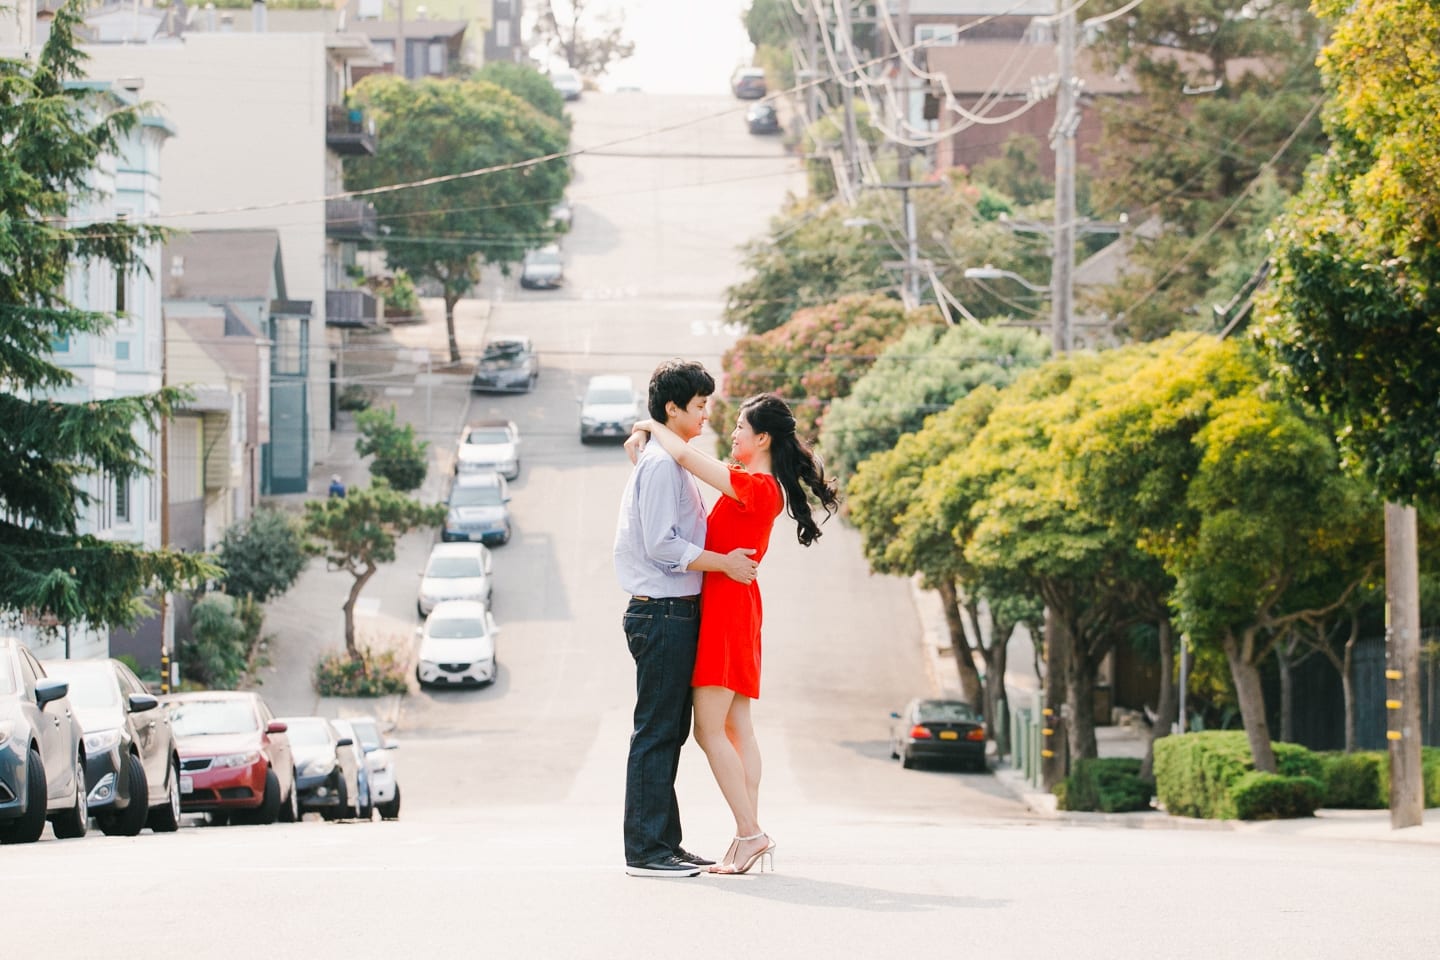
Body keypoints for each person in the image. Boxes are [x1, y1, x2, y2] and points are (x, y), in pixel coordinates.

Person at [628, 392, 839, 876]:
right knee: (736, 727)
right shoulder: (757, 484)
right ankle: (751, 831)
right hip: (733, 605)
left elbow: (683, 455)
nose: (734, 434)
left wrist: (647, 422)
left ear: (762, 437)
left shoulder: (757, 486)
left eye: (741, 428)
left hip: (726, 608)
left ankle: (750, 833)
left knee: (709, 728)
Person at [613, 360, 760, 879]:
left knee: (667, 731)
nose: (706, 415)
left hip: (673, 611)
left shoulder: (665, 460)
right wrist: (725, 563)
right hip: (661, 612)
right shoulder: (659, 464)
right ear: (672, 408)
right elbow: (661, 544)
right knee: (656, 731)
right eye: (698, 406)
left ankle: (663, 844)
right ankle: (646, 850)